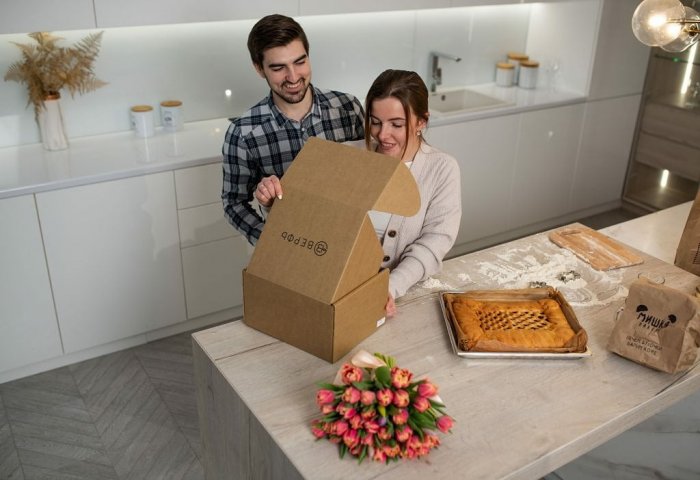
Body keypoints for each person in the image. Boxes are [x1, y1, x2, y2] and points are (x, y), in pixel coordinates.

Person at [222, 14, 365, 245]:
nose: (293, 77)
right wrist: (272, 241)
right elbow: (234, 203)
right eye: (279, 68)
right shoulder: (243, 134)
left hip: (351, 239)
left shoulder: (348, 108)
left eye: (300, 62)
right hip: (289, 248)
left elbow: (369, 176)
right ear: (259, 68)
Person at [364, 69, 461, 317]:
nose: (382, 134)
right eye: (375, 122)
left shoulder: (442, 168)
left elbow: (434, 242)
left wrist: (390, 287)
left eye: (396, 124)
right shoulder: (349, 156)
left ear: (421, 122)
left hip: (400, 296)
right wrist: (274, 197)